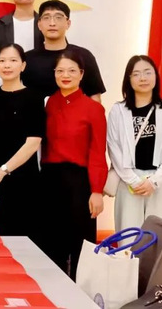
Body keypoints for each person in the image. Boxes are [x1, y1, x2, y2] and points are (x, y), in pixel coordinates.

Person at [40, 50, 107, 280]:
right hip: (50, 178)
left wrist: (97, 191)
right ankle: (53, 289)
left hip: (80, 181)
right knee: (51, 240)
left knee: (80, 242)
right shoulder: (48, 104)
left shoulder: (94, 108)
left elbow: (98, 152)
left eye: (71, 70)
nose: (65, 75)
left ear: (81, 74)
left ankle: (81, 291)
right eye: (60, 71)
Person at [108, 55, 162, 231]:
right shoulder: (118, 111)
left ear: (156, 76)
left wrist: (155, 181)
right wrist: (133, 181)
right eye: (136, 74)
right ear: (128, 79)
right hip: (128, 183)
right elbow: (113, 148)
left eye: (147, 72)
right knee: (128, 236)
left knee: (159, 236)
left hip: (161, 183)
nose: (143, 78)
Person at [0, 44, 45, 241]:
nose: (7, 65)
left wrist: (2, 172)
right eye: (2, 61)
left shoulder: (34, 98)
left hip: (24, 182)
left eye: (13, 60)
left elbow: (33, 142)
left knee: (24, 242)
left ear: (23, 66)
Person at [23, 0, 105, 102]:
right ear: (39, 24)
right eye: (46, 17)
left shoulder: (84, 56)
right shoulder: (27, 59)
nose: (52, 23)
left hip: (76, 112)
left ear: (68, 23)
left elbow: (94, 96)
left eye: (58, 17)